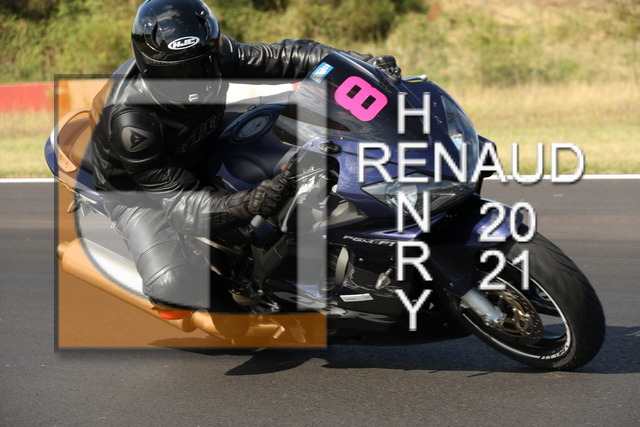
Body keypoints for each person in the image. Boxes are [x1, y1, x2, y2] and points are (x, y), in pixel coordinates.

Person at [90, 0, 400, 315]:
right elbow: (182, 205)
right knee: (172, 284)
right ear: (149, 68)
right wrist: (250, 202)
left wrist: (364, 66)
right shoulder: (132, 122)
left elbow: (288, 56)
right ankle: (234, 315)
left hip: (205, 136)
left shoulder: (217, 54)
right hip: (142, 191)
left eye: (201, 67)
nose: (193, 79)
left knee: (315, 117)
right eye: (176, 74)